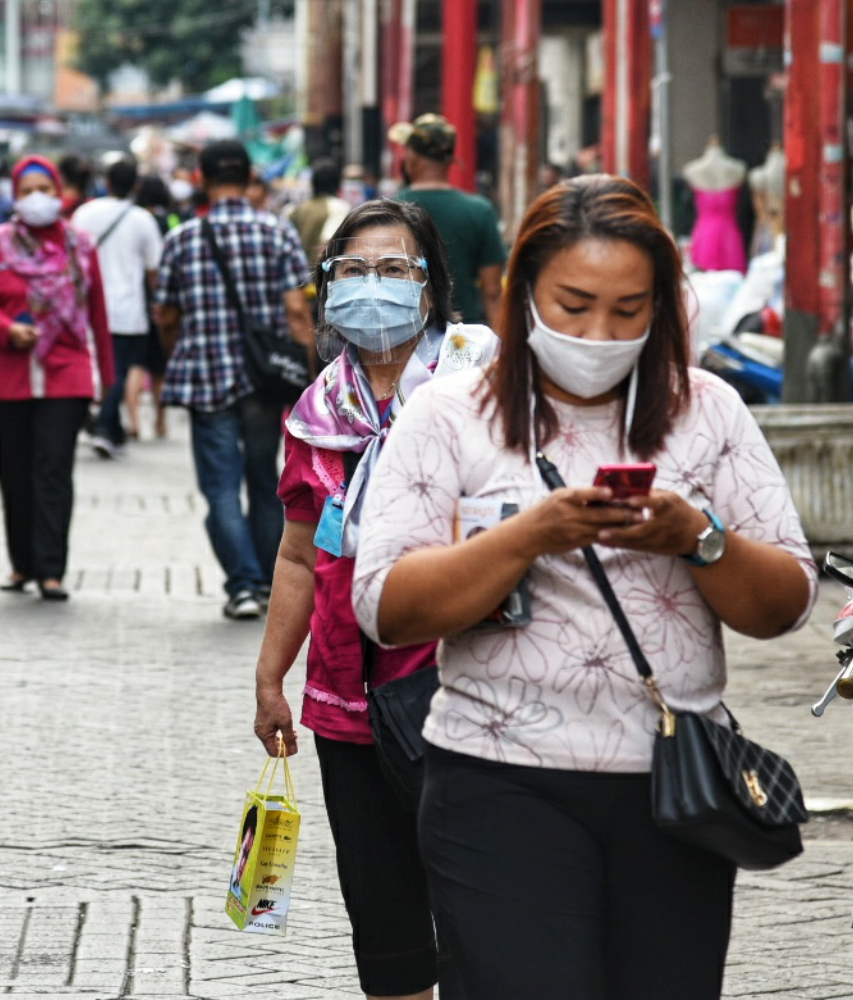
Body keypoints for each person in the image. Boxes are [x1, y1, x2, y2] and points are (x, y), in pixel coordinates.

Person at [350, 175, 818, 1000]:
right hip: (497, 774)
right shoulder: (448, 414)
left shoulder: (708, 411)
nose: (599, 334)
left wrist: (699, 539)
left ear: (661, 307)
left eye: (628, 310)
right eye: (573, 305)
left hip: (675, 785)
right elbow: (386, 606)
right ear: (524, 291)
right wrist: (529, 534)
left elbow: (786, 603)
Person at [253, 199, 495, 1000]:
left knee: (483, 907)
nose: (372, 285)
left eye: (394, 269)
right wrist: (269, 677)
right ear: (327, 287)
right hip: (346, 698)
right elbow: (298, 555)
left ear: (431, 286)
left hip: (464, 687)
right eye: (353, 270)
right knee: (385, 917)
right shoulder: (316, 416)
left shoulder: (483, 389)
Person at [155, 140, 313, 620]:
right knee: (264, 479)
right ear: (249, 180)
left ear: (201, 179)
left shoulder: (182, 238)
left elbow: (166, 315)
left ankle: (242, 585)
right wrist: (309, 376)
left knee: (221, 486)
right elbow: (296, 310)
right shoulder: (277, 231)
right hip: (264, 381)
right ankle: (265, 581)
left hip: (207, 378)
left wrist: (176, 355)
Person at [0, 156, 115, 601]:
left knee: (53, 471)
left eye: (44, 190)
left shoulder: (81, 246)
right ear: (14, 196)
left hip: (66, 375)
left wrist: (107, 379)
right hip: (7, 377)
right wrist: (5, 328)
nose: (36, 198)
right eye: (27, 190)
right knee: (14, 472)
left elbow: (98, 315)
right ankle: (21, 564)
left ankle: (51, 570)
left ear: (59, 193)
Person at [73, 156, 164, 457]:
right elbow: (154, 270)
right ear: (136, 185)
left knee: (93, 367)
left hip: (85, 307)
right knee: (118, 370)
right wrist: (158, 303)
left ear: (107, 182)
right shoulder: (142, 220)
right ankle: (103, 426)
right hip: (127, 309)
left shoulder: (84, 213)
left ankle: (107, 426)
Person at [390, 114, 507, 326]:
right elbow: (492, 291)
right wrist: (500, 341)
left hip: (404, 331)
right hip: (464, 334)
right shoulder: (480, 210)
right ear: (450, 160)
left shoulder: (390, 209)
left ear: (411, 157)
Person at [131, 175, 178, 439]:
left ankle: (134, 420)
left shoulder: (136, 220)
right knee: (160, 367)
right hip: (163, 299)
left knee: (136, 363)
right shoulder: (170, 221)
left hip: (138, 299)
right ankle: (161, 421)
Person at [290, 159, 352, 267]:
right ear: (338, 182)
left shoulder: (296, 209)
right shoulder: (339, 207)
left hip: (298, 273)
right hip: (318, 273)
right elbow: (326, 244)